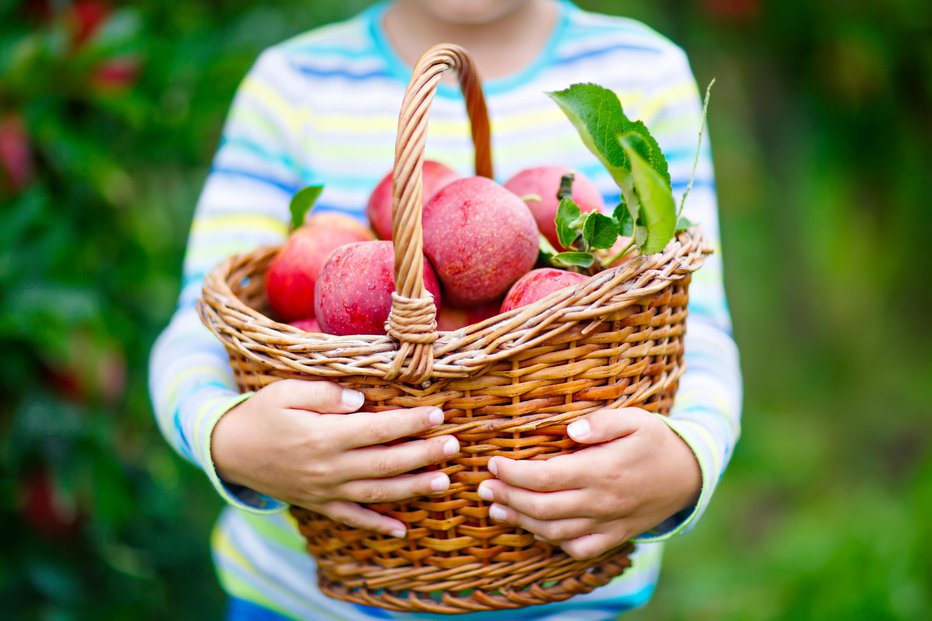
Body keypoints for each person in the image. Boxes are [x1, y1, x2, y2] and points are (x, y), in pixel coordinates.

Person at [148, 0, 742, 619]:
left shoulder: (643, 71)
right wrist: (233, 439)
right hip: (298, 602)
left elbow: (693, 329)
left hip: (571, 599)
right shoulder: (293, 88)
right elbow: (199, 330)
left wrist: (685, 461)